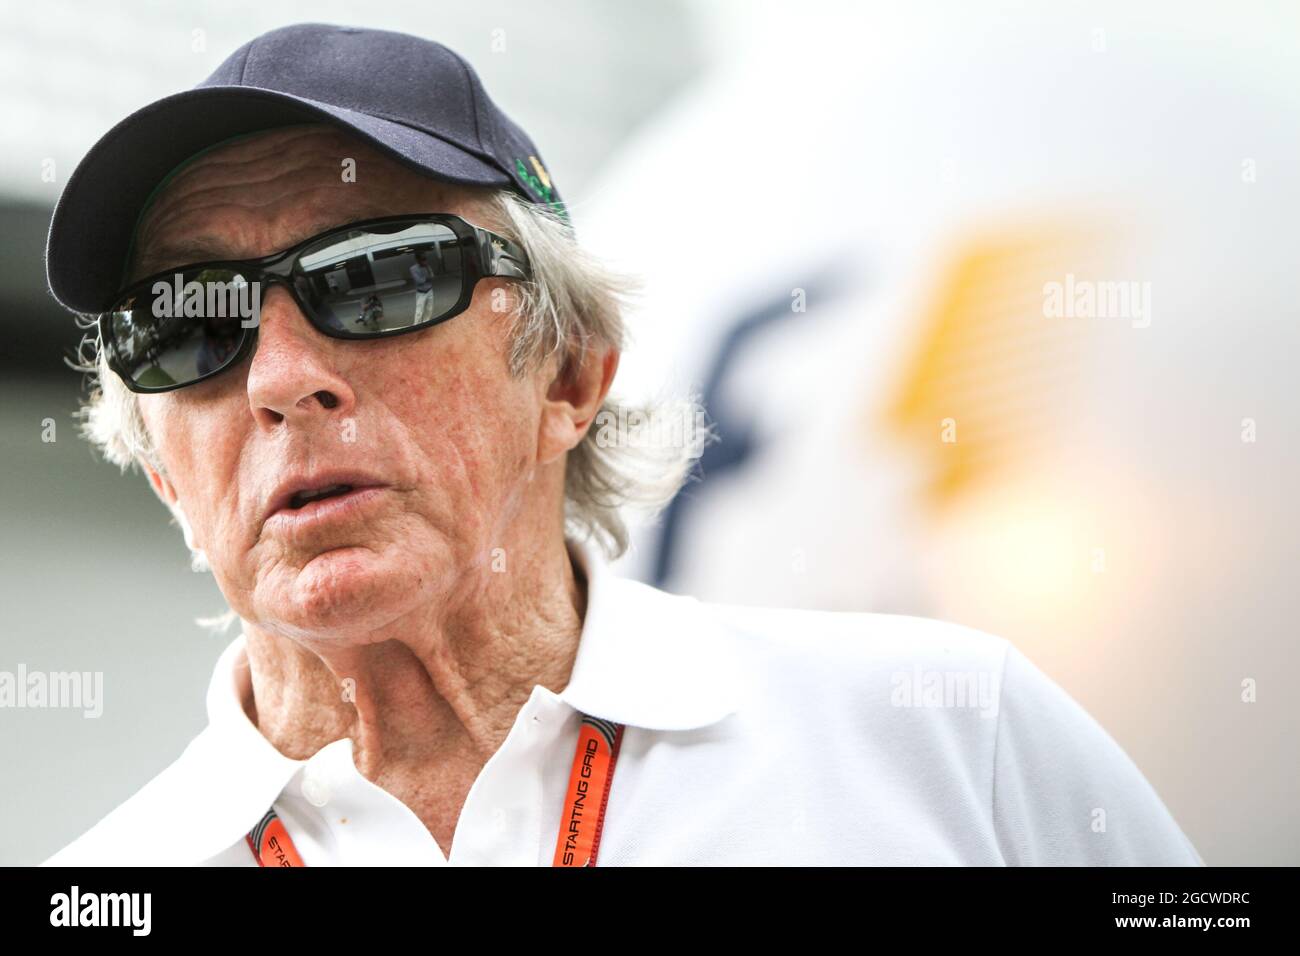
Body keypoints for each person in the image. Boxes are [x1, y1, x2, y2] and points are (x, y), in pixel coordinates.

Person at [39, 23, 1203, 866]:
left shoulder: (948, 738)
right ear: (161, 470)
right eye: (188, 324)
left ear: (569, 372)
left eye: (380, 277)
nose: (285, 381)